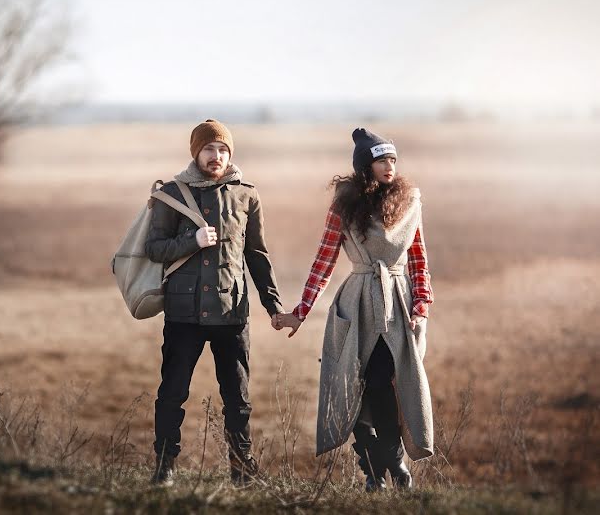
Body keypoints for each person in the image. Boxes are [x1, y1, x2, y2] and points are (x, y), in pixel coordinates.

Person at [274, 127, 434, 491]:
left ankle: (392, 461)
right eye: (381, 160)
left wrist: (421, 304)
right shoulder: (344, 207)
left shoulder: (410, 204)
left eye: (393, 159)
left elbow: (419, 259)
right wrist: (301, 311)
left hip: (398, 304)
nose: (389, 166)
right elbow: (324, 260)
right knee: (353, 385)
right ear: (366, 166)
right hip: (356, 303)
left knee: (388, 382)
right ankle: (375, 468)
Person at [145, 119, 285, 486]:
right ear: (197, 152)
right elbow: (154, 248)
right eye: (210, 149)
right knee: (171, 394)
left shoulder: (246, 195)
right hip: (183, 316)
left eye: (223, 150)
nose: (217, 156)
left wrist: (273, 306)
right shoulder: (171, 194)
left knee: (237, 398)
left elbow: (257, 254)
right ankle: (164, 468)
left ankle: (241, 468)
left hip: (231, 314)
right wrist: (193, 240)